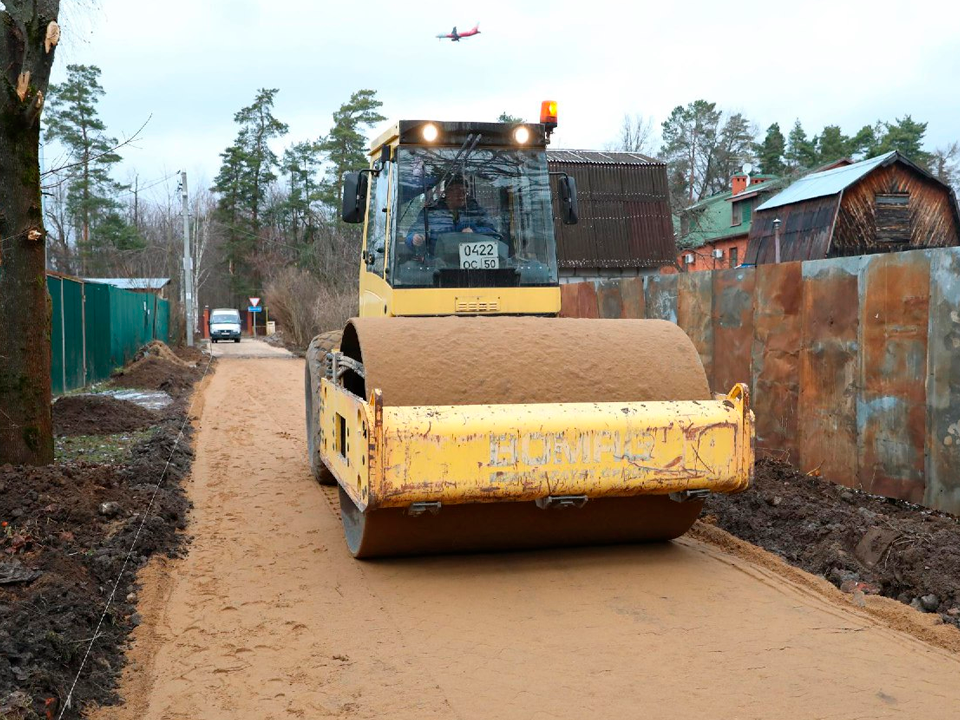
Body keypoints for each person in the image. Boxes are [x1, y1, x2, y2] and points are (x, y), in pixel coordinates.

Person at [405, 173, 497, 257]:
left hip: (472, 265)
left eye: (464, 192)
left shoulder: (477, 212)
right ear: (446, 192)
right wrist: (415, 239)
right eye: (456, 192)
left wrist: (475, 232)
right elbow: (413, 233)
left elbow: (494, 234)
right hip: (437, 266)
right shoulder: (431, 212)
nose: (461, 196)